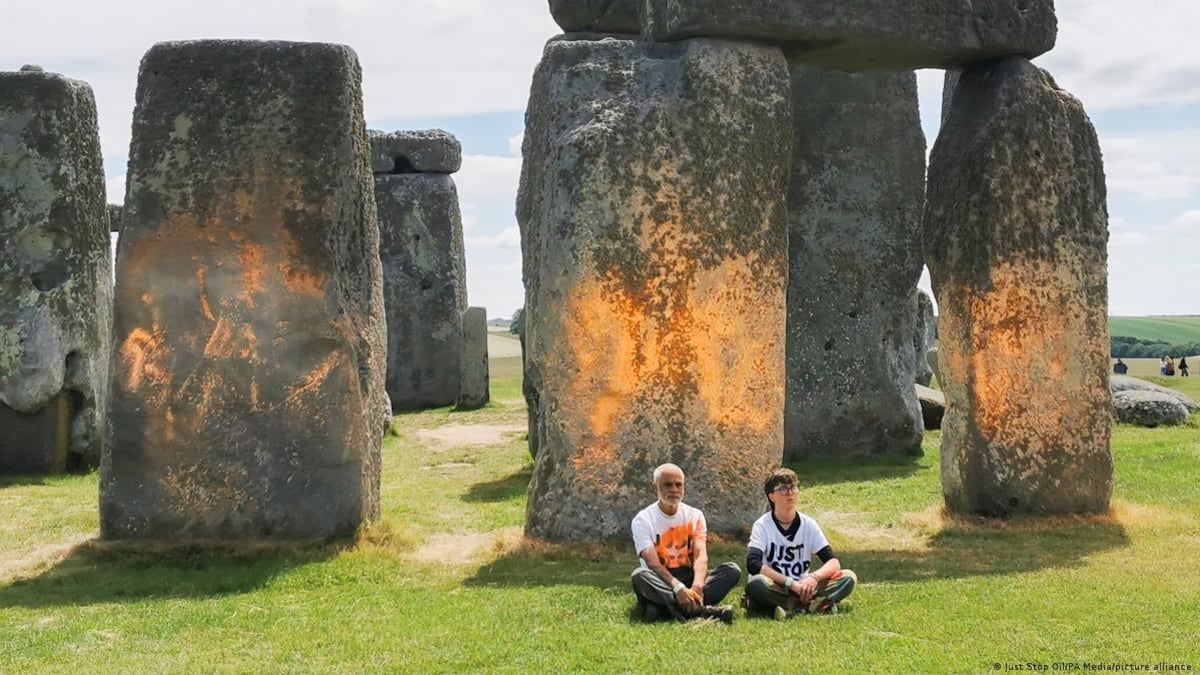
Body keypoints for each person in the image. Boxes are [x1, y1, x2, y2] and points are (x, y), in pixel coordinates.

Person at [630, 463, 741, 624]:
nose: (674, 489)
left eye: (678, 484)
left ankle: (662, 609)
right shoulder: (643, 520)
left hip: (689, 576)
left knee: (732, 570)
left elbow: (700, 556)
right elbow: (652, 563)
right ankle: (703, 611)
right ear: (656, 487)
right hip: (661, 580)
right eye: (667, 485)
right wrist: (678, 588)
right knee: (639, 576)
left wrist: (697, 586)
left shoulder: (695, 515)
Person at [743, 469, 857, 618]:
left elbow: (833, 562)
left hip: (805, 586)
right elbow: (753, 564)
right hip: (778, 585)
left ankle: (790, 608)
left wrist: (814, 578)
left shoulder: (808, 524)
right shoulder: (762, 525)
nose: (790, 493)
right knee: (756, 583)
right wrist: (791, 584)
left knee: (848, 577)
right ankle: (813, 605)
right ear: (772, 497)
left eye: (793, 488)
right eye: (783, 489)